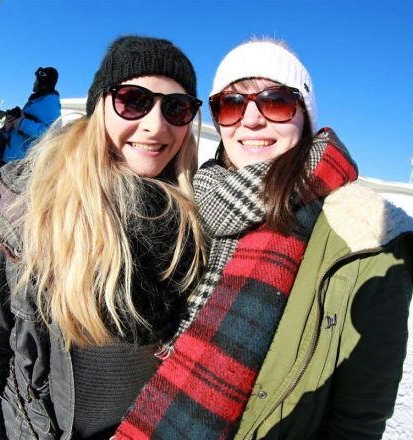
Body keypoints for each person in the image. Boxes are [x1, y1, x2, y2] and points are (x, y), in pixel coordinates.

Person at [114, 38, 413, 440]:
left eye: (275, 101)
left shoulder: (365, 240)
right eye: (231, 104)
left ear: (305, 116)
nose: (251, 119)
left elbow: (356, 422)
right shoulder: (188, 206)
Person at [0, 35, 205, 439]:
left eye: (176, 108)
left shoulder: (196, 221)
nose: (155, 125)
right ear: (100, 106)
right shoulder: (32, 202)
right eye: (134, 100)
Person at [2, 66, 61, 163]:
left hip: (19, 168)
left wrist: (23, 124)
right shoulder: (37, 100)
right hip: (9, 162)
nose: (34, 83)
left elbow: (52, 133)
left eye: (37, 80)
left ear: (43, 82)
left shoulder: (50, 101)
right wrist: (7, 129)